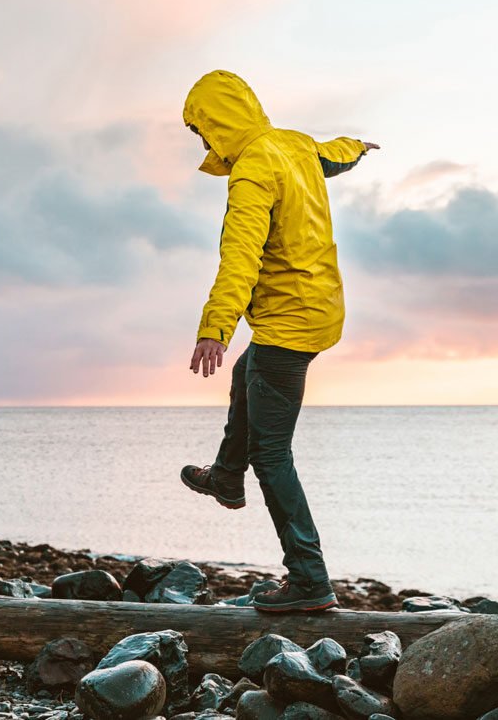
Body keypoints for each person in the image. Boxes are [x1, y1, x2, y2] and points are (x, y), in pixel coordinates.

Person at [177, 70, 378, 613]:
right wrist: (358, 147)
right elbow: (330, 154)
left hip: (289, 321)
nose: (204, 144)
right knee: (249, 373)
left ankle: (310, 579)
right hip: (318, 309)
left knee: (272, 452)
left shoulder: (250, 172)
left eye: (202, 132)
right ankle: (225, 476)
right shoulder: (291, 144)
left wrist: (215, 327)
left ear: (219, 124)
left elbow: (239, 255)